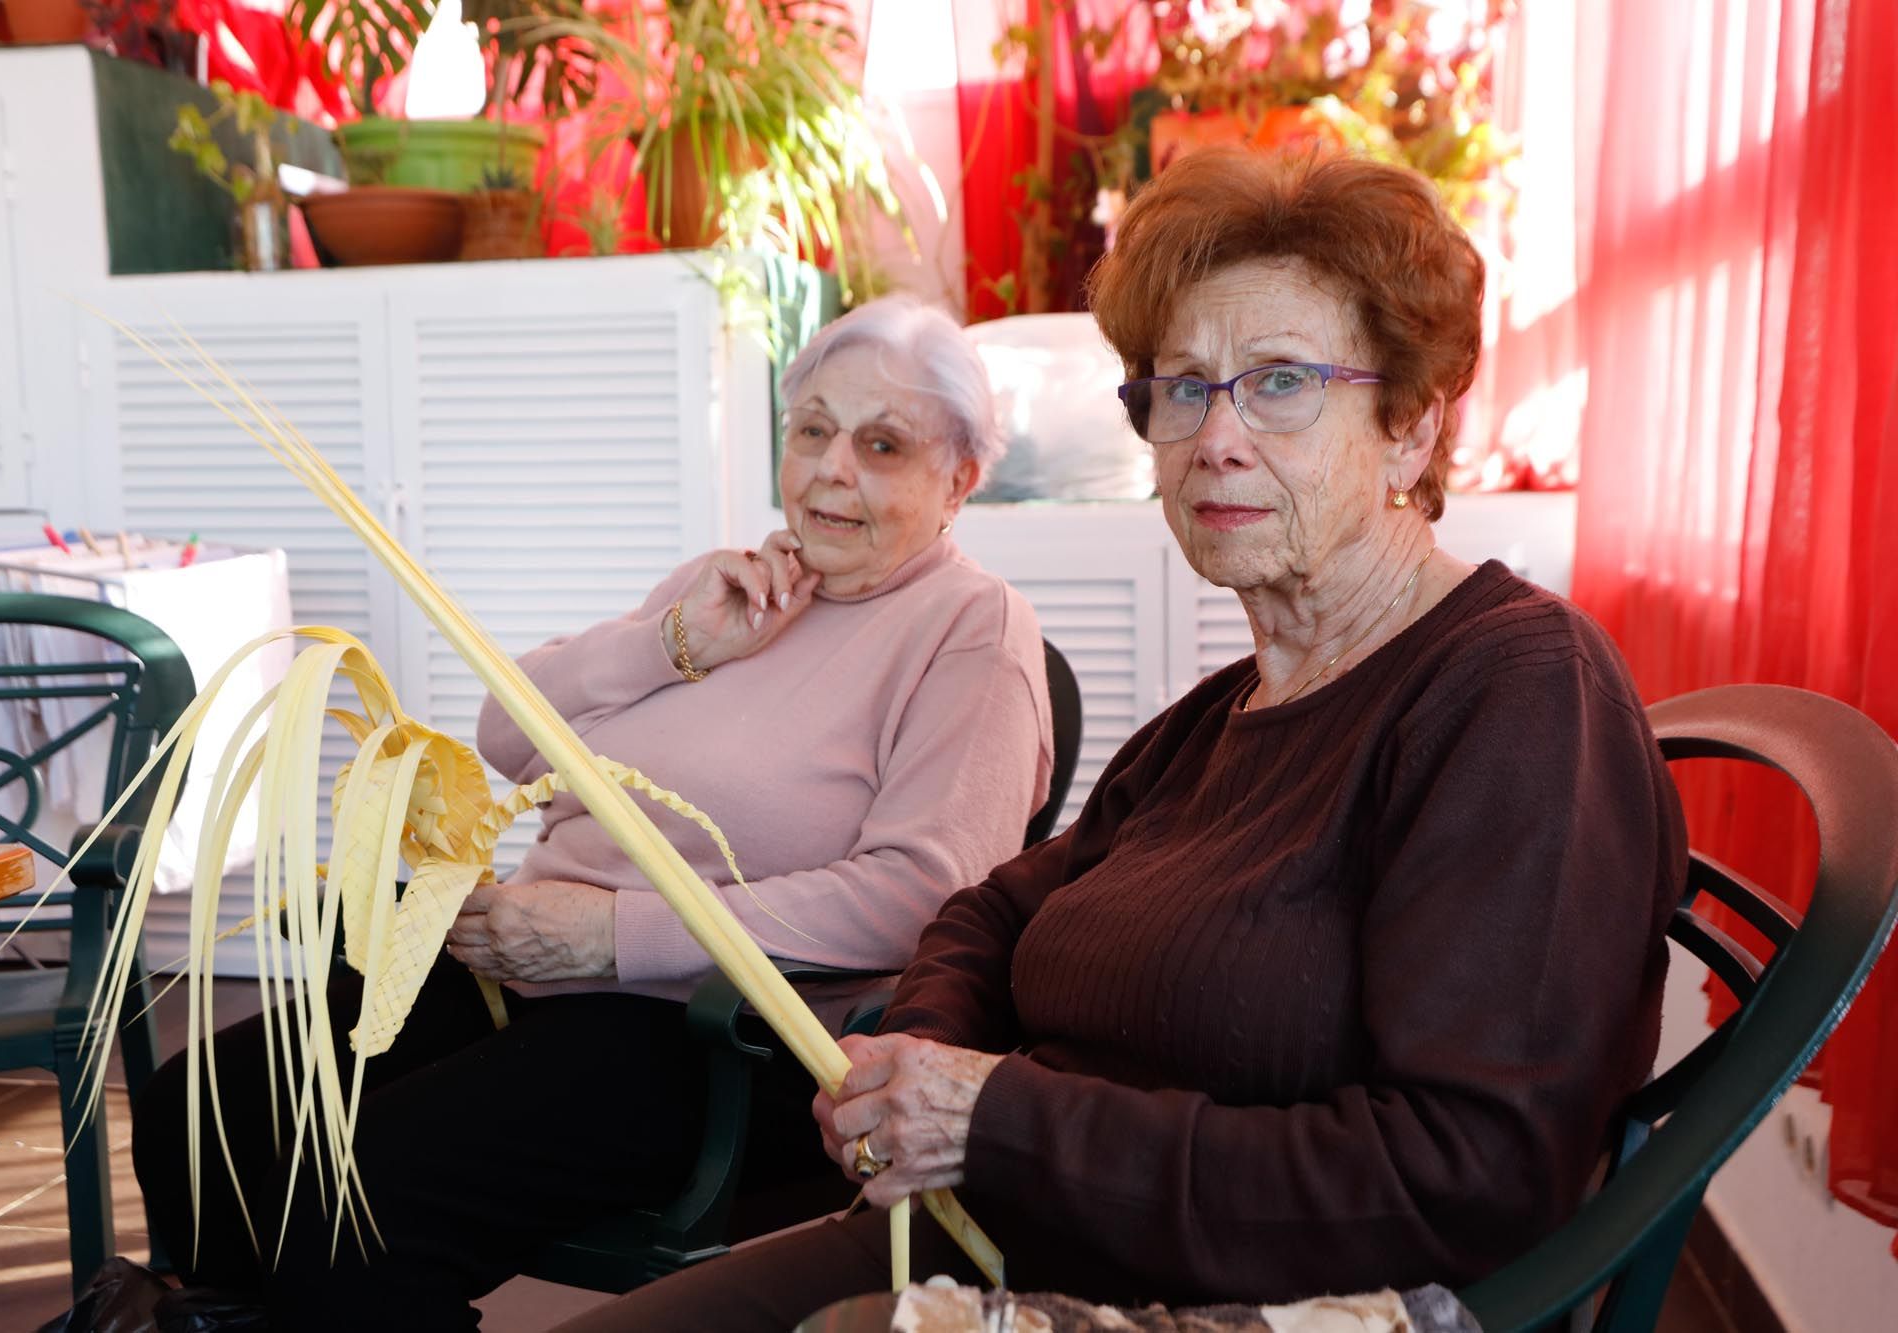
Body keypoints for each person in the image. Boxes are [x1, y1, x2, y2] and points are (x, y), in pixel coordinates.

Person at [554, 148, 1687, 1331]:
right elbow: (989, 914)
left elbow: (1466, 1178)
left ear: (1408, 426)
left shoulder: (1515, 693)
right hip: (991, 1235)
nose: (1216, 438)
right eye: (1182, 389)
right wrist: (922, 1063)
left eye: (1280, 382)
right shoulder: (1227, 713)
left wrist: (999, 1120)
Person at [130, 294, 1055, 1331]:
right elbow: (508, 733)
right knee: (197, 1116)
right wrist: (672, 640)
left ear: (958, 478)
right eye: (811, 432)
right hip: (525, 979)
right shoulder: (738, 587)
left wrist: (607, 937)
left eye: (881, 444)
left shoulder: (972, 630)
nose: (832, 469)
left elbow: (921, 896)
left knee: (360, 1202)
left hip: (723, 1033)